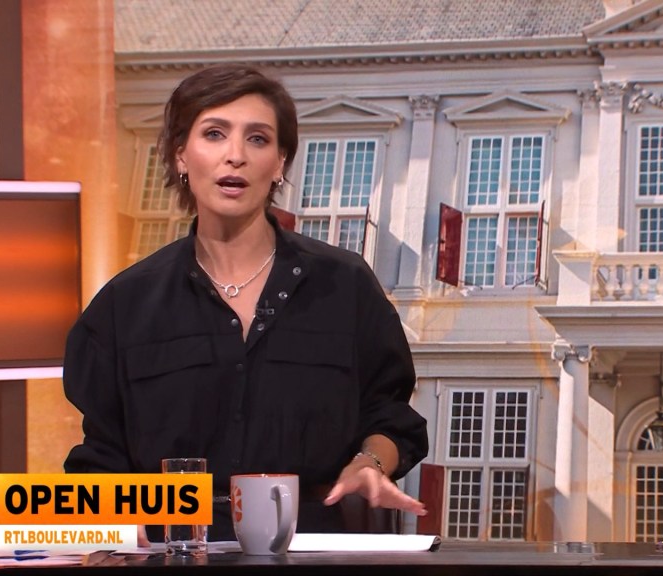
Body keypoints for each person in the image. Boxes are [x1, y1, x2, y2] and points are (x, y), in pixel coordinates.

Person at [62, 64, 429, 542]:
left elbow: (390, 415)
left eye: (257, 139)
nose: (235, 155)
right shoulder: (124, 304)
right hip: (174, 554)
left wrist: (370, 463)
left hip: (312, 553)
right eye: (214, 134)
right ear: (180, 155)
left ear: (279, 164)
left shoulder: (345, 285)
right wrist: (114, 522)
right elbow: (101, 458)